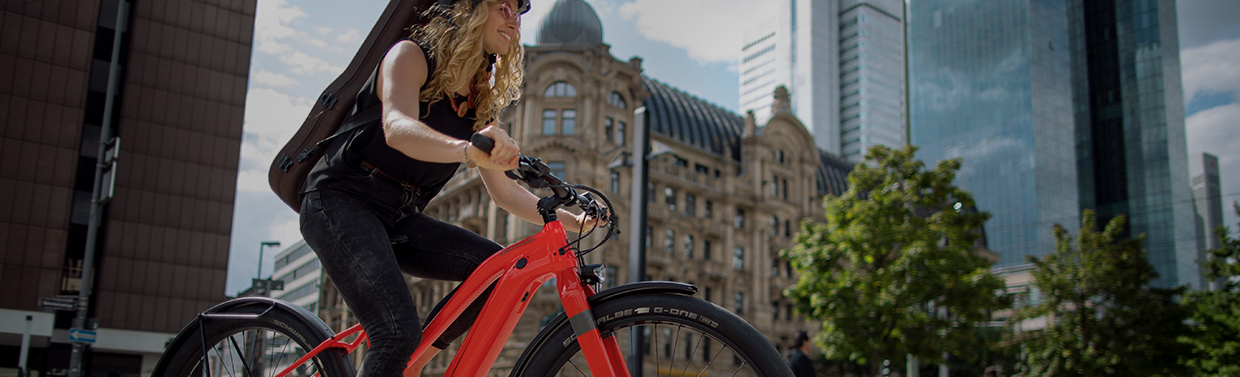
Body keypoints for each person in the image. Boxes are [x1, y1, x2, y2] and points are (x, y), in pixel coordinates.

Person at [298, 1, 601, 376]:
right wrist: (468, 150)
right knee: (394, 331)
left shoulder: (480, 100)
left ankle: (408, 364)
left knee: (494, 271)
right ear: (470, 10)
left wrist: (570, 219)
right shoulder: (410, 55)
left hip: (400, 215)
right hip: (339, 200)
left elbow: (504, 193)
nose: (514, 19)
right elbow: (397, 128)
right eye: (504, 6)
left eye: (519, 13)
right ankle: (399, 352)